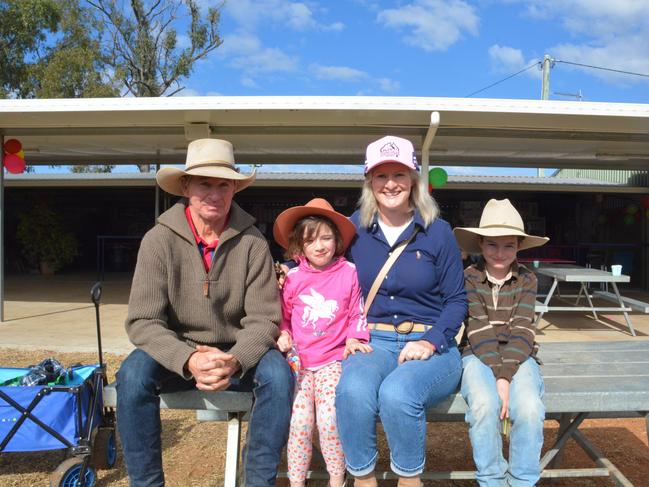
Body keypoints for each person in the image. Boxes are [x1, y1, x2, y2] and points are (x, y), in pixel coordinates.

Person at [116, 138, 294, 487]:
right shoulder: (158, 240)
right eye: (204, 183)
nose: (215, 193)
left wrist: (235, 359)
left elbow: (264, 318)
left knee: (280, 377)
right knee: (132, 376)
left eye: (223, 184)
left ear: (234, 189)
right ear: (186, 186)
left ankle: (259, 481)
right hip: (178, 349)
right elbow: (143, 320)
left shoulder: (253, 242)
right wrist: (187, 358)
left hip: (237, 350)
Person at [335, 135, 467, 486]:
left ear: (414, 180)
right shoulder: (353, 230)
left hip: (432, 343)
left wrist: (431, 342)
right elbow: (322, 268)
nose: (390, 183)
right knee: (352, 390)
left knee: (398, 394)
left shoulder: (438, 233)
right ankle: (363, 479)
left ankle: (410, 480)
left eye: (399, 174)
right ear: (369, 182)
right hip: (373, 340)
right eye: (381, 175)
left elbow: (457, 301)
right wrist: (286, 271)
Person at [273, 198, 373, 487]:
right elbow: (284, 315)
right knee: (300, 423)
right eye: (311, 240)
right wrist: (283, 332)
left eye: (326, 238)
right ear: (299, 245)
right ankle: (296, 481)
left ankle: (337, 478)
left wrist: (355, 337)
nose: (320, 246)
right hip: (300, 362)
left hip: (333, 360)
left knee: (330, 421)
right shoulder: (292, 278)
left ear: (338, 240)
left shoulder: (349, 273)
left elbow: (357, 311)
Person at [453, 198, 549, 486]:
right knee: (484, 405)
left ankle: (523, 480)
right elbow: (478, 330)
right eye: (492, 244)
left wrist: (505, 376)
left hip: (519, 356)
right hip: (477, 354)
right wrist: (500, 377)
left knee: (530, 408)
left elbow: (523, 329)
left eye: (508, 245)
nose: (500, 252)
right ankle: (491, 479)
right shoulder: (468, 278)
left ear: (518, 246)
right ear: (480, 244)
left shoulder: (527, 279)